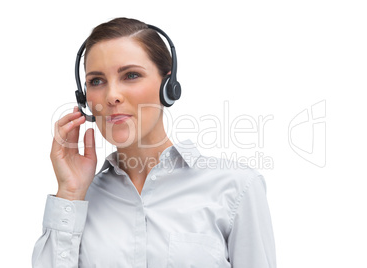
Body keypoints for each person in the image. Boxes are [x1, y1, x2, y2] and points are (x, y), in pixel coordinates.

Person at [32, 17, 276, 268]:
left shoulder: (236, 187)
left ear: (169, 87)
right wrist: (70, 194)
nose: (112, 96)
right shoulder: (78, 202)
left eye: (131, 75)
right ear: (85, 97)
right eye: (96, 81)